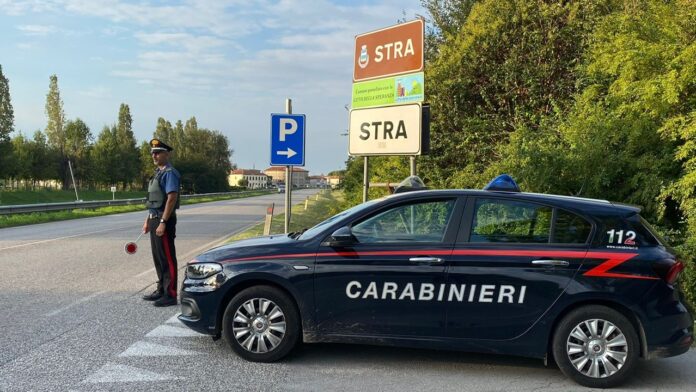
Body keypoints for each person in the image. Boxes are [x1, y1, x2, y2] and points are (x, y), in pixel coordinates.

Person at [141, 138, 181, 307]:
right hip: (154, 219)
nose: (154, 156)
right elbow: (153, 201)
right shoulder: (158, 173)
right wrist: (147, 220)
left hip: (164, 220)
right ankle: (161, 289)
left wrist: (163, 221)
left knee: (167, 258)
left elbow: (171, 198)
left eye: (158, 153)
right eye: (153, 153)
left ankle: (170, 293)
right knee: (158, 257)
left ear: (166, 154)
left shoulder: (170, 173)